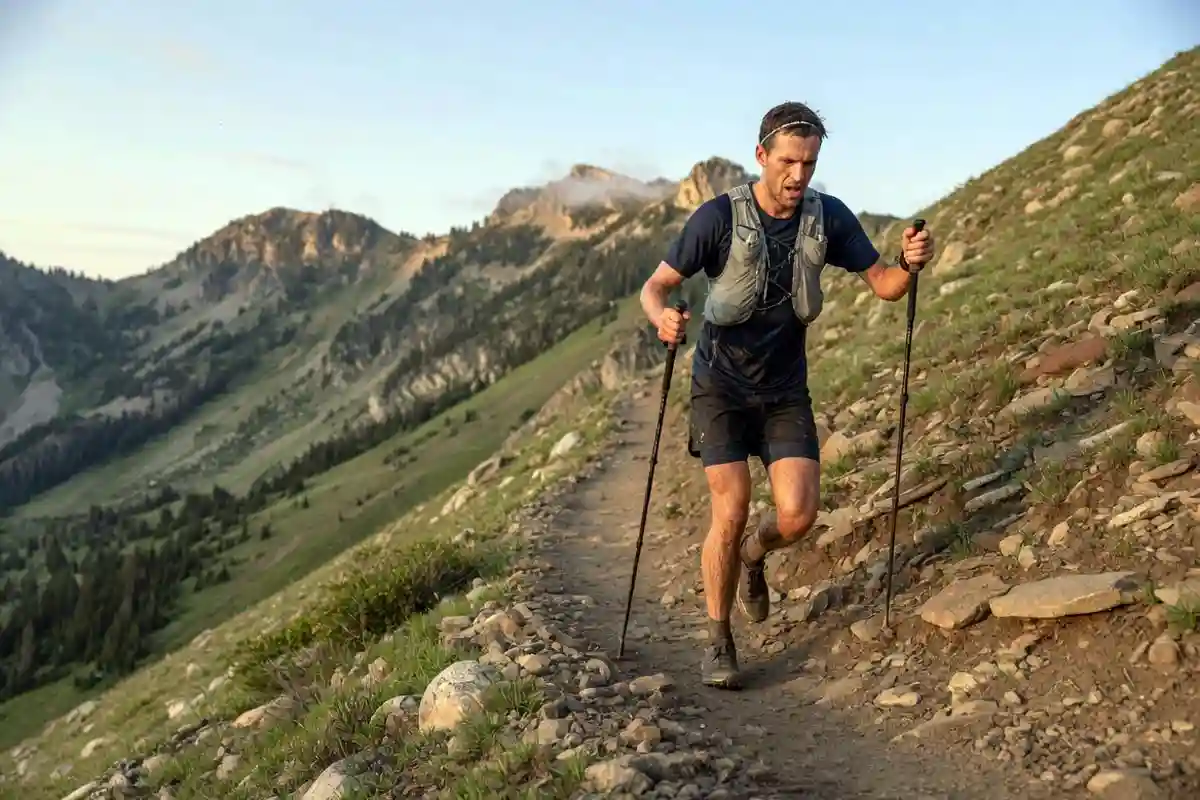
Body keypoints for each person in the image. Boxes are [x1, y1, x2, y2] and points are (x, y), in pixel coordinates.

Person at [638, 101, 935, 689]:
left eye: (809, 162)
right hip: (719, 385)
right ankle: (719, 640)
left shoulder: (830, 219)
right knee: (731, 507)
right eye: (788, 162)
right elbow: (657, 286)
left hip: (782, 390)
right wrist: (662, 320)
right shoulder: (717, 217)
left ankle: (755, 555)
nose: (798, 175)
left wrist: (908, 261)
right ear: (761, 156)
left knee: (798, 516)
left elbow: (885, 288)